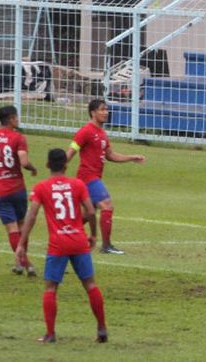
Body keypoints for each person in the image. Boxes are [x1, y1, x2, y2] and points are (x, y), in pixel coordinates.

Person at [15, 148, 107, 343]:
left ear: (48, 165)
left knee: (50, 288)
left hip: (58, 243)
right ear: (66, 164)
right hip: (78, 241)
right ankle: (101, 328)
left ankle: (50, 333)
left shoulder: (41, 187)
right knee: (90, 284)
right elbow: (91, 211)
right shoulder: (78, 184)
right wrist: (92, 235)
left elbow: (31, 216)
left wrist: (22, 243)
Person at [66, 99, 145, 255]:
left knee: (88, 214)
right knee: (107, 206)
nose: (106, 112)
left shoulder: (101, 133)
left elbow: (110, 155)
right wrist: (61, 165)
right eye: (102, 109)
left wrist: (131, 157)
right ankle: (106, 246)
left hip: (93, 177)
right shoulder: (86, 131)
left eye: (107, 109)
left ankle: (65, 235)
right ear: (93, 112)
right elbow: (73, 148)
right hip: (87, 178)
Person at [0, 105, 39, 276]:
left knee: (11, 228)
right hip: (17, 188)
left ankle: (22, 263)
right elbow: (24, 161)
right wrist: (33, 168)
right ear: (12, 119)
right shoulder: (18, 137)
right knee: (22, 226)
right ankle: (24, 263)